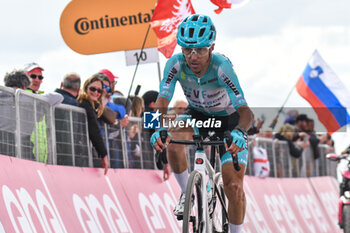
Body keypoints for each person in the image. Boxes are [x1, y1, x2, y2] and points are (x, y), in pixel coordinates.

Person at [150, 14, 254, 232]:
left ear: (212, 47)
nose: (193, 56)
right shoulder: (175, 64)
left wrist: (240, 132)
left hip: (229, 120)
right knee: (173, 140)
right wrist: (156, 126)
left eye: (200, 50)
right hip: (197, 114)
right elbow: (162, 99)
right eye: (187, 50)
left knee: (233, 186)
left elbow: (246, 111)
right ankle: (186, 192)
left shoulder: (222, 66)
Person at [77, 74, 108, 175]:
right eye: (93, 89)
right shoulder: (85, 103)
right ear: (86, 88)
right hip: (79, 151)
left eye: (99, 91)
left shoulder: (94, 106)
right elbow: (94, 130)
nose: (96, 92)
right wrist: (103, 154)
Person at [1, 70, 31, 157]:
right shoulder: (30, 99)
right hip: (24, 140)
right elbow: (57, 97)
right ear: (24, 85)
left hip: (2, 137)